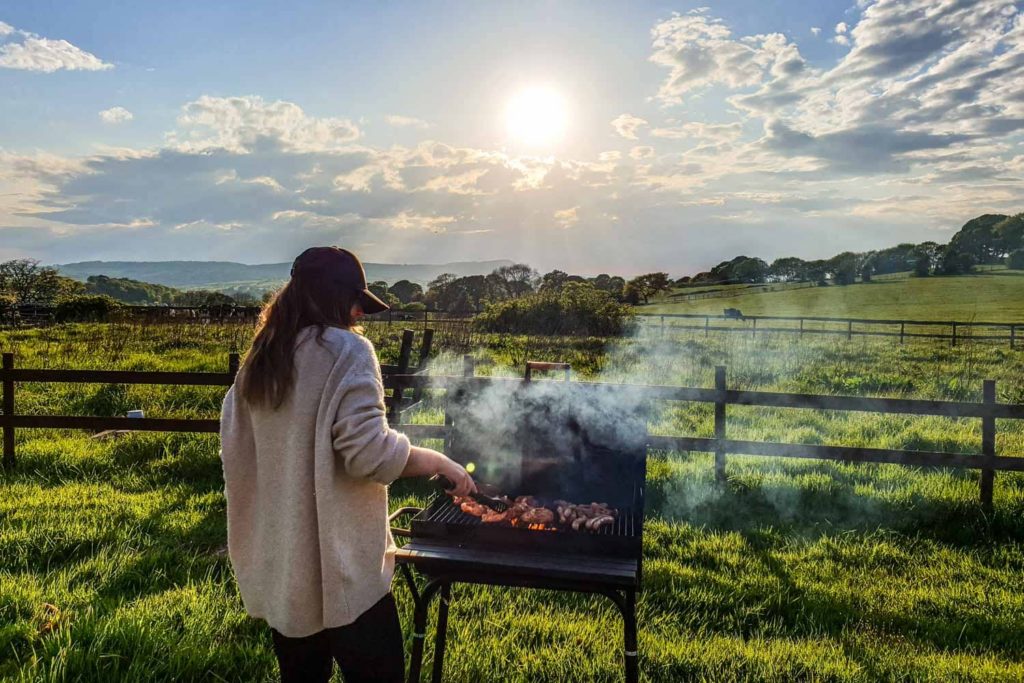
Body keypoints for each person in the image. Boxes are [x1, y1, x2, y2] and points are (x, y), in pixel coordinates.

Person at [219, 246, 476, 683]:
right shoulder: (348, 351)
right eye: (358, 301)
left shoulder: (261, 358)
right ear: (336, 297)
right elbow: (368, 455)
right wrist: (437, 459)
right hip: (344, 571)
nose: (361, 312)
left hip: (286, 570)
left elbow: (235, 447)